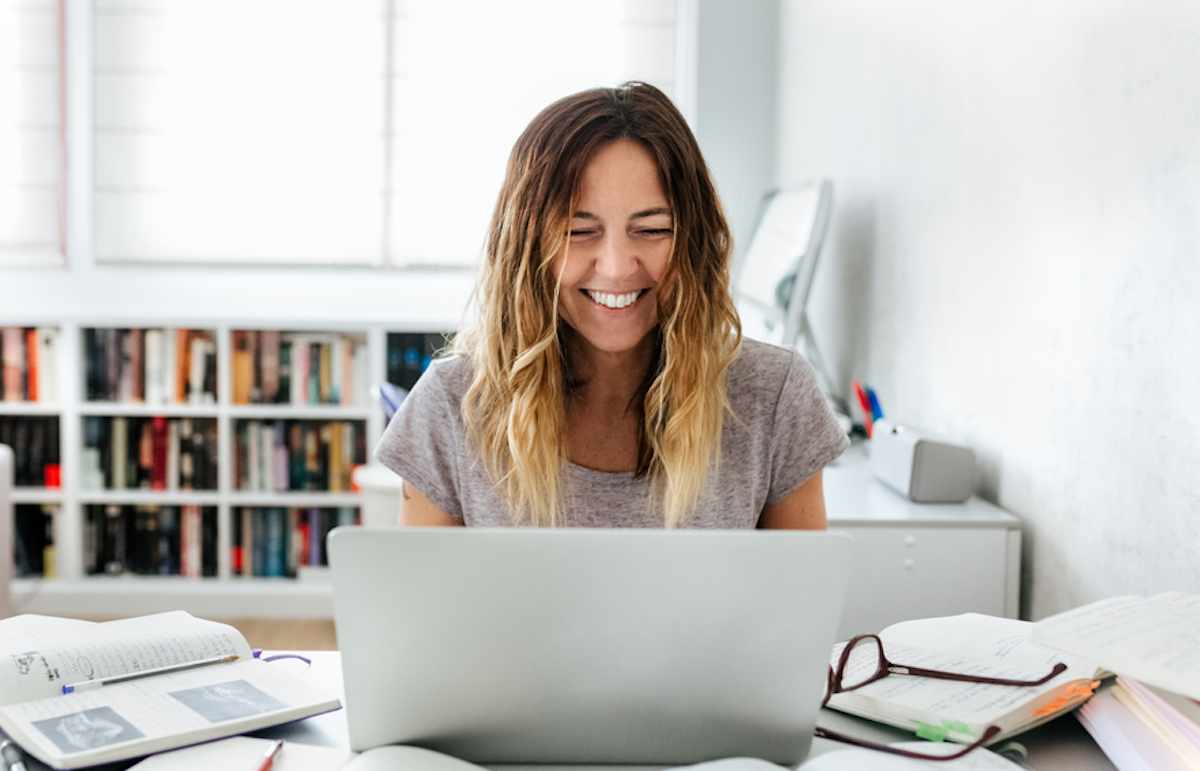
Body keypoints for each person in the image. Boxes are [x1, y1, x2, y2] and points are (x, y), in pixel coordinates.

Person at [376, 81, 847, 529]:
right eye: (578, 232)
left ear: (693, 241)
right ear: (525, 248)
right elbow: (418, 612)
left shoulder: (776, 396)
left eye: (652, 229)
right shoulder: (451, 403)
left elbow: (800, 607)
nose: (618, 267)